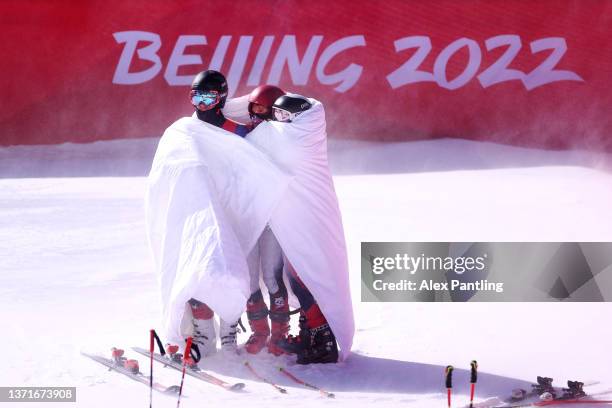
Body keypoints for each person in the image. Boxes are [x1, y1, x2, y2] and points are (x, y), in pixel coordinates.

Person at [145, 71, 292, 359]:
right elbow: (166, 169)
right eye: (196, 97)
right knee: (197, 266)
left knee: (233, 272)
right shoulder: (183, 131)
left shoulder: (236, 130)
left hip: (233, 214)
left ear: (221, 97)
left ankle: (230, 331)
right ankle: (204, 333)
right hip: (196, 213)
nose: (201, 104)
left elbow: (255, 162)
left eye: (208, 97)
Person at [239, 92, 355, 364]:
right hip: (304, 221)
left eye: (282, 116)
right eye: (275, 115)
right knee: (302, 278)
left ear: (296, 118)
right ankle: (314, 335)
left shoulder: (293, 138)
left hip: (311, 221)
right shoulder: (298, 132)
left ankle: (322, 342)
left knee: (305, 280)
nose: (276, 121)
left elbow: (251, 140)